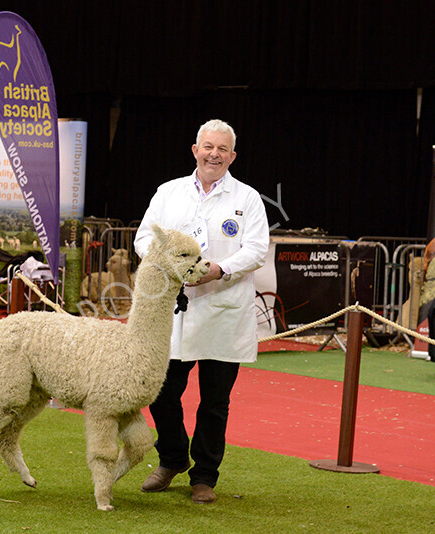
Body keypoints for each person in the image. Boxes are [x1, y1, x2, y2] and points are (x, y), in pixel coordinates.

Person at [134, 119, 270, 504]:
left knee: (214, 403)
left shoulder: (247, 199)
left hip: (223, 309)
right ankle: (172, 457)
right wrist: (166, 262)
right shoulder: (168, 192)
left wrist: (219, 269)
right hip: (173, 312)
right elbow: (144, 237)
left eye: (222, 149)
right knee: (160, 391)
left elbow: (257, 248)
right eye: (208, 147)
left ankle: (204, 477)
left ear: (232, 156)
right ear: (195, 150)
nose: (214, 154)